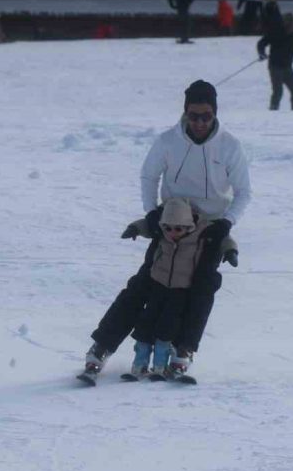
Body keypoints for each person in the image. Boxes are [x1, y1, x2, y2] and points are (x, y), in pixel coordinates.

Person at [84, 80, 252, 382]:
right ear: (185, 113)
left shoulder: (230, 146)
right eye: (194, 115)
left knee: (201, 290)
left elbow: (244, 192)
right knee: (143, 286)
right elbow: (149, 176)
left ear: (215, 114)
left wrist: (227, 222)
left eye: (206, 116)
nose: (200, 123)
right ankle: (102, 347)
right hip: (171, 223)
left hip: (209, 229)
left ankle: (183, 350)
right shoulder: (167, 142)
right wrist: (152, 215)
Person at [127, 198, 210, 379]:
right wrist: (134, 228)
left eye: (178, 228)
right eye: (168, 228)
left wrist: (230, 251)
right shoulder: (162, 234)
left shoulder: (199, 235)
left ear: (188, 226)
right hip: (158, 287)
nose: (172, 233)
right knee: (145, 327)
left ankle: (160, 367)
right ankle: (139, 364)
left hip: (180, 291)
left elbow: (224, 238)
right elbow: (145, 225)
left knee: (167, 330)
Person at [257, 13, 293, 111]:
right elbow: (261, 43)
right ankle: (273, 110)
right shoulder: (275, 32)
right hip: (275, 67)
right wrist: (261, 52)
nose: (292, 25)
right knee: (278, 91)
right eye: (290, 23)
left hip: (287, 68)